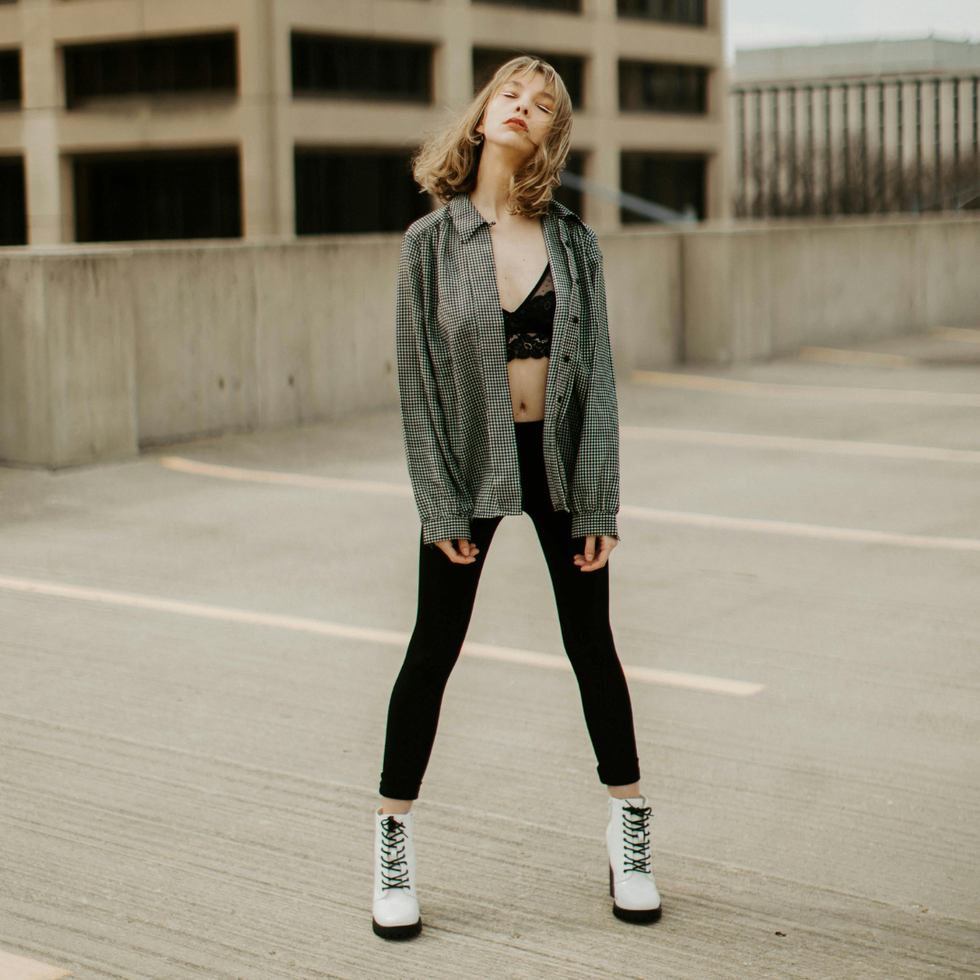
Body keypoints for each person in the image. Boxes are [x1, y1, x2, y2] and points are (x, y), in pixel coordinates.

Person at [372, 55, 661, 940]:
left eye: (541, 106)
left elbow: (600, 382)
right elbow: (419, 388)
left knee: (592, 644)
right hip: (469, 463)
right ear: (484, 110)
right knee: (434, 647)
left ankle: (630, 830)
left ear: (550, 134)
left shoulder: (574, 243)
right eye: (510, 94)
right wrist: (439, 505)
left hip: (563, 466)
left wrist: (602, 502)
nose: (521, 110)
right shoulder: (431, 243)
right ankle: (391, 838)